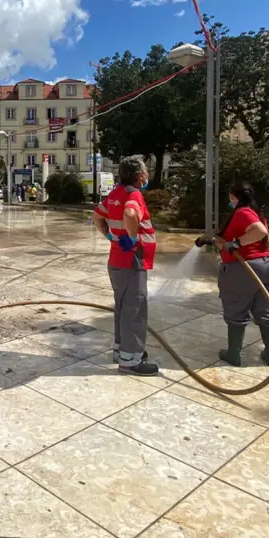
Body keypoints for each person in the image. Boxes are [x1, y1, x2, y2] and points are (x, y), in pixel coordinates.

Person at [197, 181, 269, 367]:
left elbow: (259, 232)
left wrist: (237, 244)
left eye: (230, 197)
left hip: (244, 269)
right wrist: (209, 241)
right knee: (266, 311)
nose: (230, 201)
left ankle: (233, 354)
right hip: (267, 267)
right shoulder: (255, 213)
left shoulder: (243, 212)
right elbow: (228, 242)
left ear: (235, 196)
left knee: (237, 310)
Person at [92, 155, 159, 376]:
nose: (147, 175)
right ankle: (131, 361)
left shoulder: (114, 194)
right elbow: (131, 214)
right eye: (146, 171)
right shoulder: (134, 194)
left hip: (116, 261)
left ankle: (121, 350)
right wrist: (131, 238)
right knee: (135, 309)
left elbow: (97, 215)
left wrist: (110, 237)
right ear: (140, 175)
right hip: (132, 261)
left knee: (123, 307)